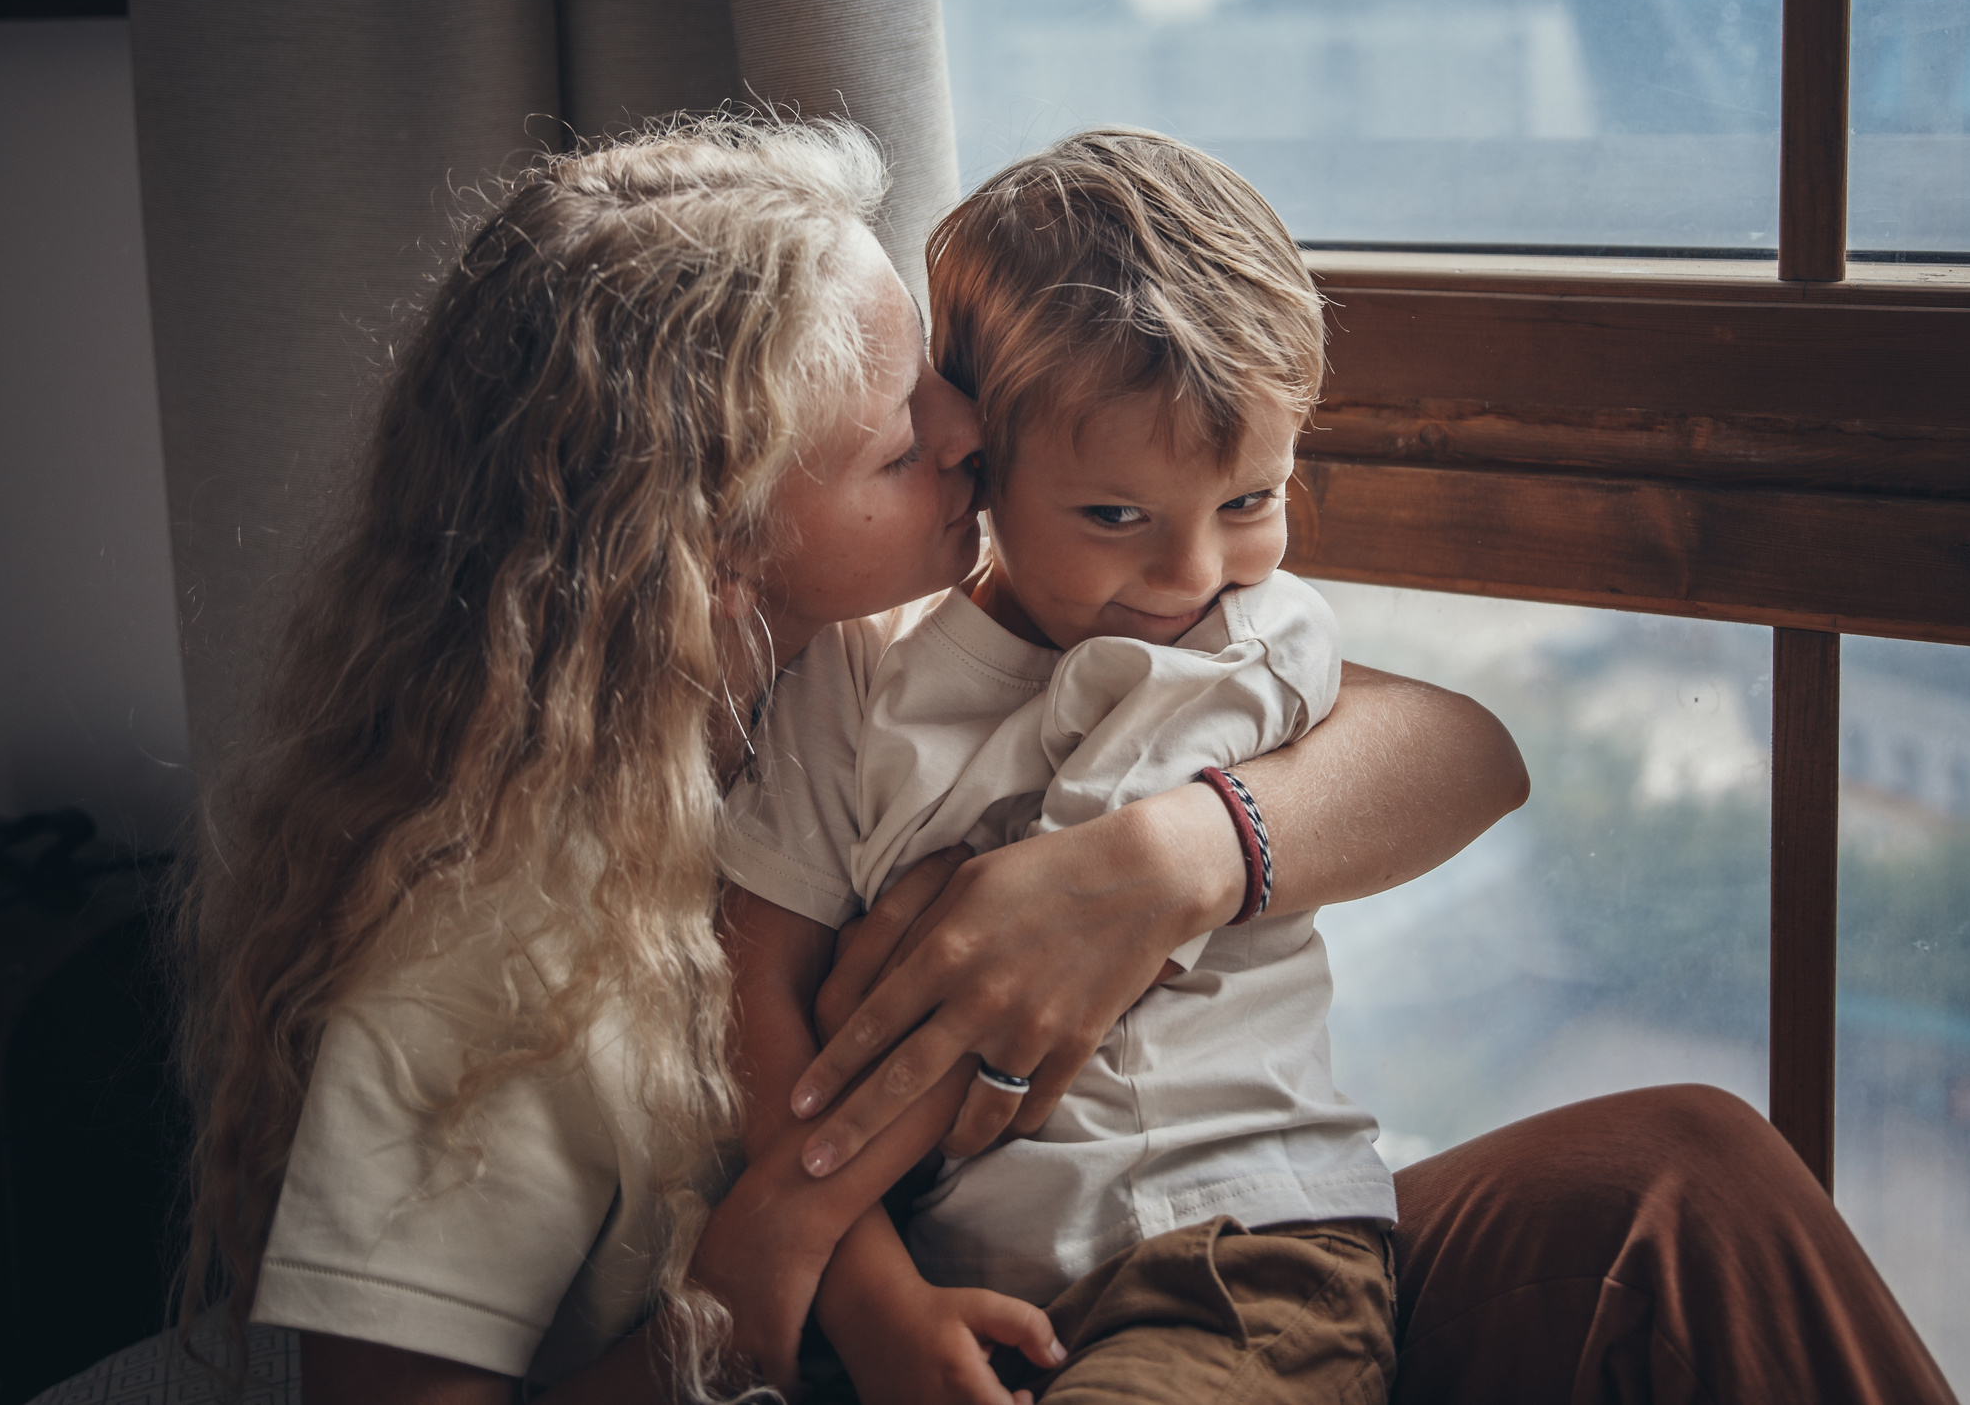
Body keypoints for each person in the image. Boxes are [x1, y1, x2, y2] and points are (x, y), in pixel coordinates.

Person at [174, 115, 1532, 1405]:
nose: (966, 429)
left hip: (1206, 1223)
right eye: (900, 431)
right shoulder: (481, 945)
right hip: (976, 1296)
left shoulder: (872, 645)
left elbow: (1458, 749)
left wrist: (1159, 861)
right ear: (710, 546)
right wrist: (763, 1267)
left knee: (1679, 1179)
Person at [719, 130, 1395, 1402]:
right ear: (978, 465)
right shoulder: (854, 682)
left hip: (1233, 1245)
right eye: (1115, 516)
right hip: (961, 1277)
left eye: (1251, 501)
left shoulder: (1259, 639)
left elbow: (1463, 756)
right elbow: (754, 991)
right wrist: (867, 1297)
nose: (1194, 575)